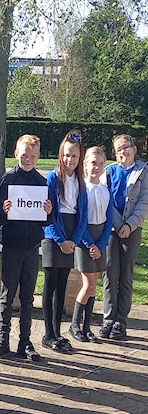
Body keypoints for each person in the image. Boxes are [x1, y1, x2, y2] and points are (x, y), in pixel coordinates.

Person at [0, 134, 52, 361]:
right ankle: (2, 337)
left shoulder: (41, 182)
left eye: (32, 156)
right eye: (24, 155)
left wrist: (48, 211)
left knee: (27, 297)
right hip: (11, 245)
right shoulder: (8, 180)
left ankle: (25, 341)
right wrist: (4, 210)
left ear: (38, 158)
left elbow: (48, 220)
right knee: (7, 294)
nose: (28, 159)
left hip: (31, 247)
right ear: (16, 153)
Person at [41, 131, 87, 354]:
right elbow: (48, 213)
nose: (70, 160)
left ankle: (58, 333)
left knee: (62, 285)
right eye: (67, 155)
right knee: (50, 284)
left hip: (70, 235)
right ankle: (48, 333)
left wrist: (74, 239)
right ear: (61, 155)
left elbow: (83, 214)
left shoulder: (80, 181)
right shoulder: (52, 178)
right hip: (53, 236)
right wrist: (60, 240)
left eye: (75, 157)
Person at [102, 134, 148, 340]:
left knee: (126, 275)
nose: (123, 152)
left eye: (126, 147)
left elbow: (144, 202)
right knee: (110, 274)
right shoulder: (109, 172)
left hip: (133, 229)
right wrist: (119, 225)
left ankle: (121, 321)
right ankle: (108, 319)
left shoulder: (144, 171)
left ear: (134, 148)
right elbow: (105, 200)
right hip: (111, 230)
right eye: (118, 149)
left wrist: (129, 225)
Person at [72, 146, 113, 342]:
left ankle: (87, 327)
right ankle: (74, 324)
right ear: (85, 164)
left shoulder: (106, 190)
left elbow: (109, 220)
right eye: (93, 163)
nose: (96, 167)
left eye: (100, 164)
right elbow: (80, 220)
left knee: (94, 285)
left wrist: (102, 243)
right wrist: (90, 244)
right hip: (84, 238)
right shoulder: (82, 189)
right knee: (87, 283)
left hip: (100, 239)